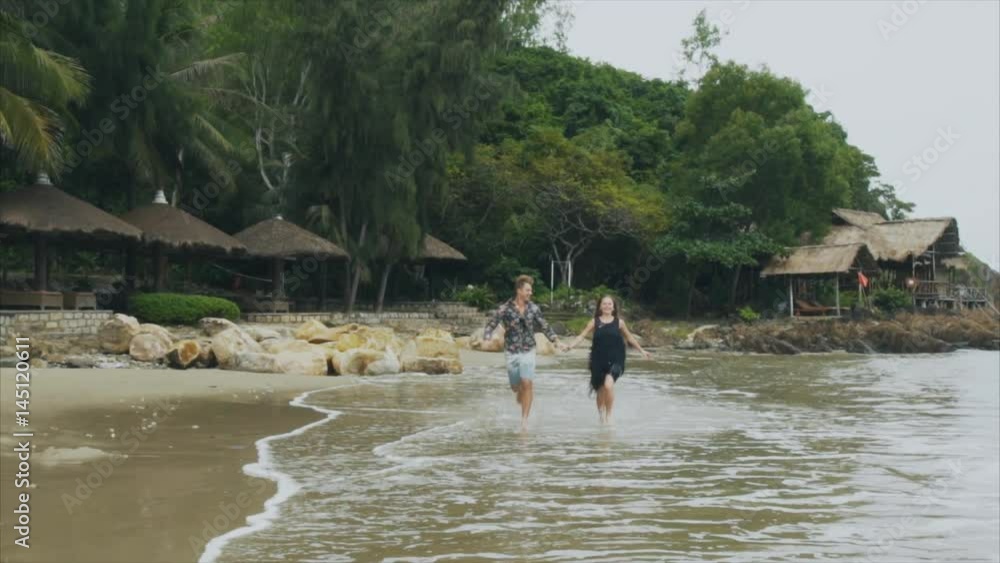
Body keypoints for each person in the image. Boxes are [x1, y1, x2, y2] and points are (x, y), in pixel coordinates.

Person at [483, 275, 561, 429]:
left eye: (531, 290)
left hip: (528, 349)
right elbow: (491, 324)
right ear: (519, 290)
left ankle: (524, 421)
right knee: (515, 387)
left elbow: (544, 326)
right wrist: (486, 337)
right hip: (511, 351)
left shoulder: (534, 308)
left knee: (527, 383)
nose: (530, 293)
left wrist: (555, 340)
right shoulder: (505, 308)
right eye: (527, 290)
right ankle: (522, 393)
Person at [562, 295, 650, 424]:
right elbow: (582, 336)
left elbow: (630, 338)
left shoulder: (619, 322)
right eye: (604, 304)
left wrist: (642, 350)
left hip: (616, 358)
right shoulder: (594, 322)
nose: (607, 306)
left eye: (610, 304)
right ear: (600, 307)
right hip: (598, 359)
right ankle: (601, 415)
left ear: (613, 307)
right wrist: (570, 346)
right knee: (600, 390)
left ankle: (609, 416)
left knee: (608, 385)